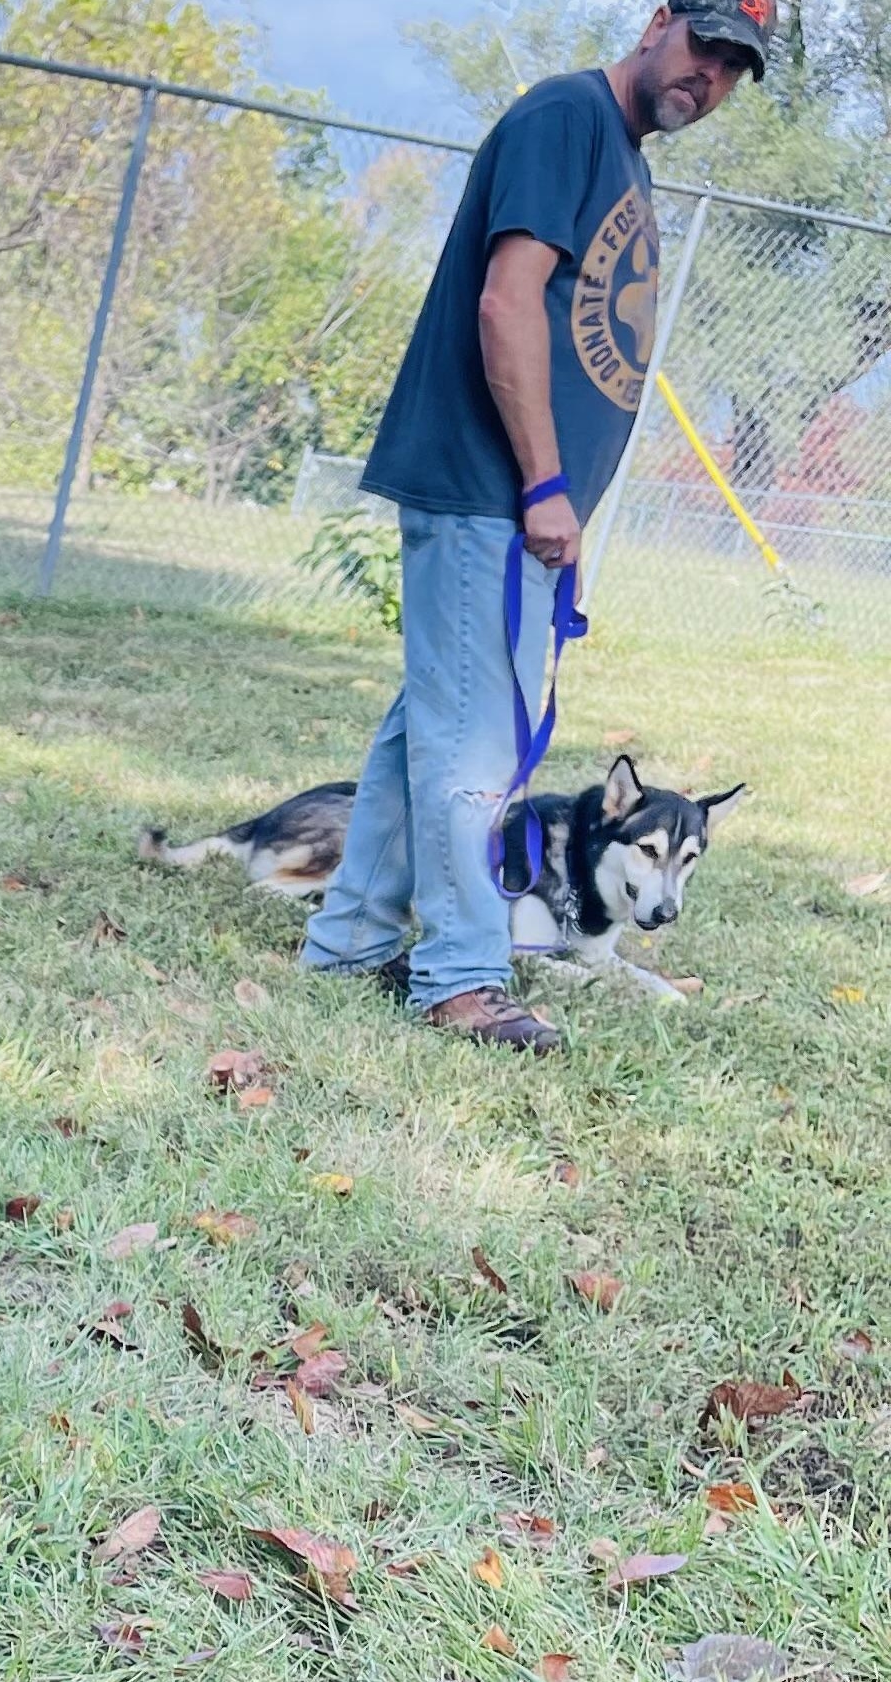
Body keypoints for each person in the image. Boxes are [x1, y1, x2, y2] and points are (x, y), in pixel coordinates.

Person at [301, 1, 769, 1053]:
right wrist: (545, 485)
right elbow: (507, 303)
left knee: (433, 725)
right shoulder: (567, 119)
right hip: (487, 486)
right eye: (703, 45)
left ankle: (350, 939)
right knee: (478, 747)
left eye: (735, 67)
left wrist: (568, 513)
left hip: (525, 507)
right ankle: (461, 976)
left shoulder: (623, 155)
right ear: (657, 23)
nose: (710, 76)